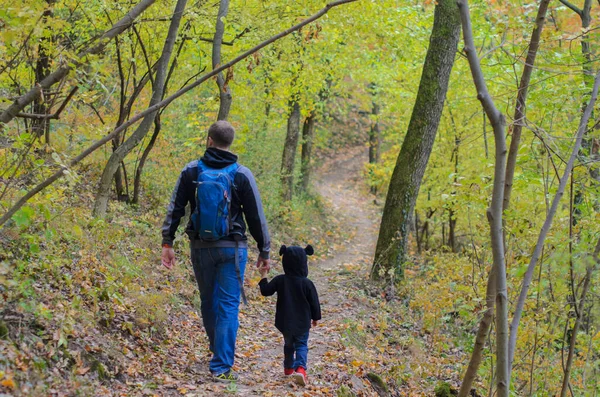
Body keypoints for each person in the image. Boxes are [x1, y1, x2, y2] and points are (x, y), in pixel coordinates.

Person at [161, 120, 271, 382]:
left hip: (200, 247)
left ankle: (216, 350)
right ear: (229, 143)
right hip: (232, 249)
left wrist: (168, 242)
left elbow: (175, 208)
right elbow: (256, 216)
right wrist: (264, 250)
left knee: (208, 301)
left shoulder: (191, 171)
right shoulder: (241, 174)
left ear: (209, 139)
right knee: (228, 304)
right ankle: (221, 364)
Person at [258, 244, 321, 386]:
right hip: (302, 322)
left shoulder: (280, 280)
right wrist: (315, 317)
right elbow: (314, 303)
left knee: (289, 345)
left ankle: (288, 368)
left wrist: (263, 276)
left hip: (285, 322)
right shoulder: (307, 283)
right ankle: (300, 369)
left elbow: (266, 291)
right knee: (301, 345)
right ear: (304, 263)